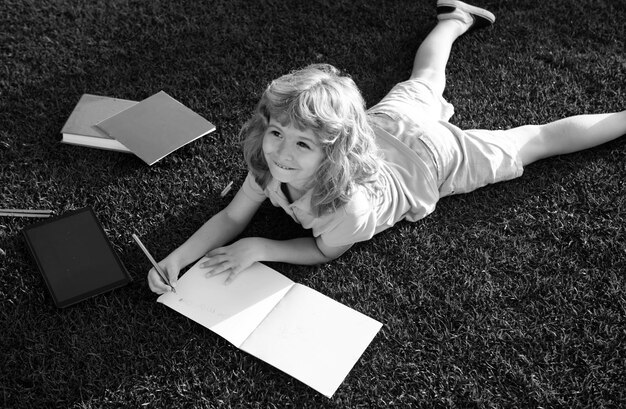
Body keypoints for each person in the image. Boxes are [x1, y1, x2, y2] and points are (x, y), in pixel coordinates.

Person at [148, 0, 625, 293]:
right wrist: (178, 257)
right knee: (425, 78)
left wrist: (261, 246)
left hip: (430, 158)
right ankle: (456, 15)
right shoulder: (267, 162)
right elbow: (232, 215)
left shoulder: (347, 209)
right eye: (276, 133)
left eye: (302, 145)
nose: (282, 154)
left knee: (534, 141)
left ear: (333, 151)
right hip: (385, 125)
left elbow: (322, 252)